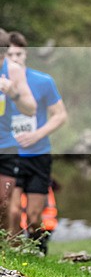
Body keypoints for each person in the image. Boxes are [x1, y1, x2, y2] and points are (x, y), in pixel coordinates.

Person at [3, 32, 67, 254]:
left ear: (26, 54)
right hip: (11, 154)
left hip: (38, 154)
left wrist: (37, 134)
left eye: (18, 53)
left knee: (34, 216)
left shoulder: (43, 81)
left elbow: (60, 115)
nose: (14, 58)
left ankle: (39, 248)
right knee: (11, 211)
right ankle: (11, 254)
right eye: (9, 54)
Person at [0, 28, 36, 235]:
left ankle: (3, 252)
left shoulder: (13, 71)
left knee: (3, 203)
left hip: (6, 145)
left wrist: (13, 93)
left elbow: (31, 109)